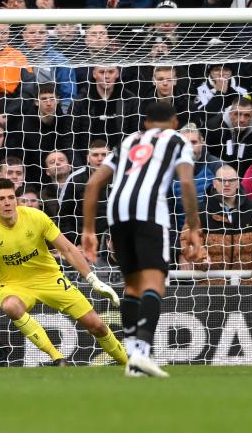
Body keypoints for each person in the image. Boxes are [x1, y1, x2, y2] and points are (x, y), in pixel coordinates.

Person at [0, 178, 127, 367]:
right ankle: (57, 358)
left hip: (50, 278)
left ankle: (128, 363)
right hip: (15, 285)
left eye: (11, 197)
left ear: (16, 199)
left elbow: (68, 249)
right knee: (10, 306)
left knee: (97, 326)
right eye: (1, 198)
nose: (7, 202)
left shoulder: (36, 217)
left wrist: (93, 279)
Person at [82, 102, 203, 378]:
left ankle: (132, 355)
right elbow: (186, 182)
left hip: (116, 214)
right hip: (150, 213)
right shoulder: (177, 140)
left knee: (133, 287)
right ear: (175, 123)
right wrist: (193, 226)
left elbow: (92, 184)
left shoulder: (129, 140)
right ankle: (142, 354)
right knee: (154, 284)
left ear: (146, 123)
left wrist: (88, 230)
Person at [194, 165, 252, 285]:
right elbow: (189, 241)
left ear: (237, 183)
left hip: (246, 288)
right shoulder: (200, 212)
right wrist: (201, 257)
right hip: (209, 289)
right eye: (221, 180)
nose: (226, 184)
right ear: (214, 183)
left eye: (231, 181)